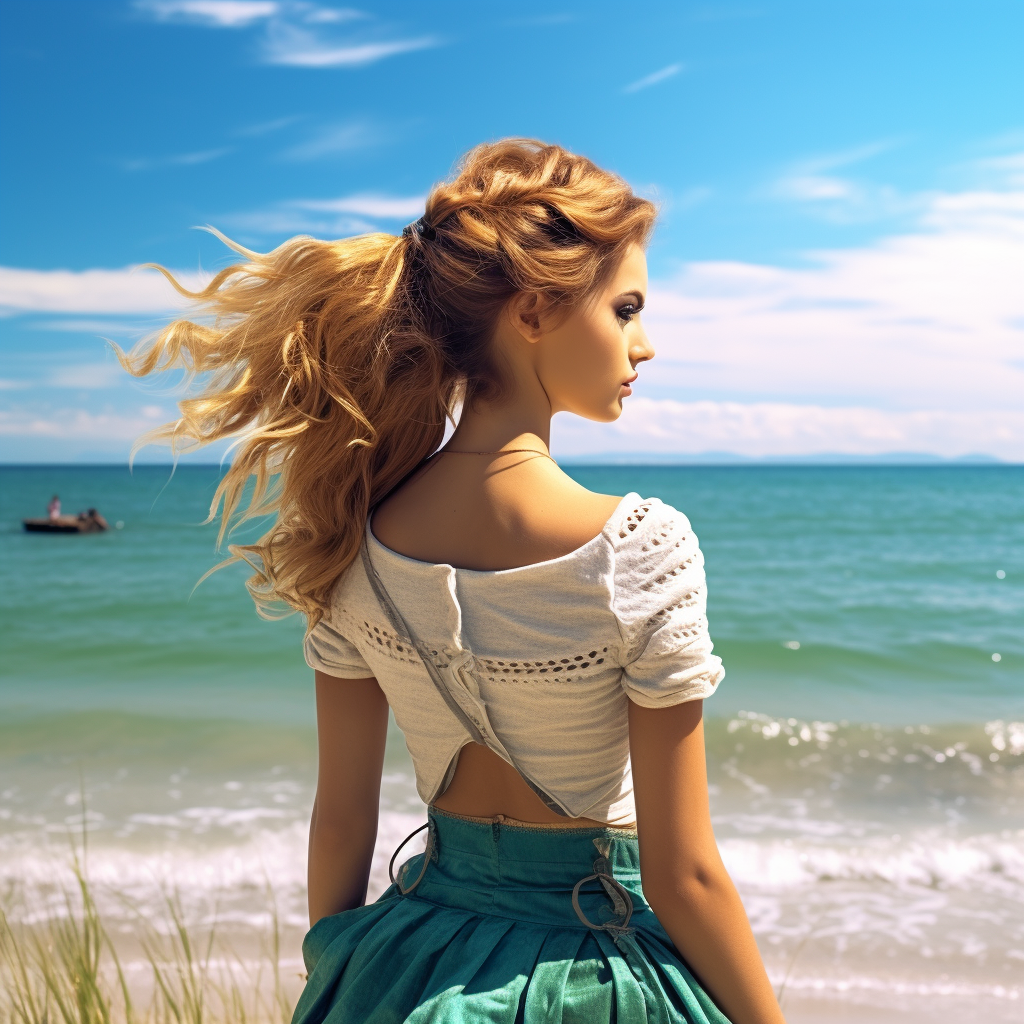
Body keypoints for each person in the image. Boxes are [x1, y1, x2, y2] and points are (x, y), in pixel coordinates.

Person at [120, 139, 785, 1024]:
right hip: (600, 965)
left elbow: (341, 820)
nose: (645, 344)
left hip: (409, 960)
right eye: (625, 309)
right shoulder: (637, 548)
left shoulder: (352, 529)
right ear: (535, 310)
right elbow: (684, 873)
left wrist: (343, 975)